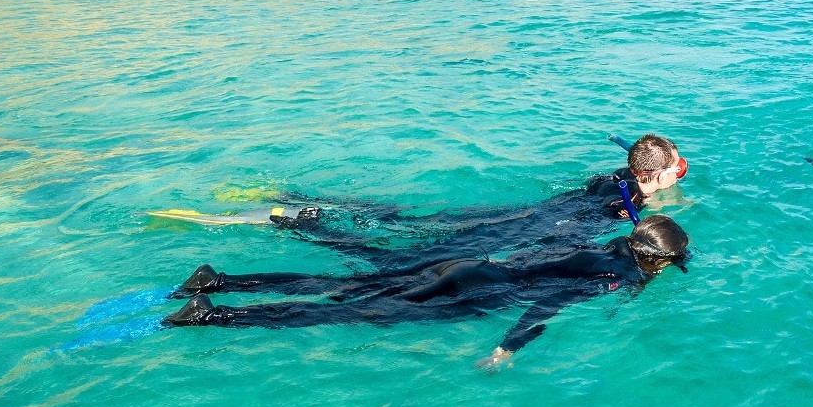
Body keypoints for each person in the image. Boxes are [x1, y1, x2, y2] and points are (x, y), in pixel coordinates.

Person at [162, 215, 691, 369]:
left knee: (343, 288)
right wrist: (508, 347)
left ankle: (219, 281)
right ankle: (213, 315)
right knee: (354, 313)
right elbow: (549, 302)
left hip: (470, 267)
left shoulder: (603, 247)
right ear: (659, 260)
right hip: (475, 290)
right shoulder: (616, 277)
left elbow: (540, 263)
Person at [250, 133, 689, 269]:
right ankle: (305, 223)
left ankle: (299, 202)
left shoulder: (615, 177)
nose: (679, 172)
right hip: (544, 226)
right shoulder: (630, 195)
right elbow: (633, 219)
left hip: (530, 212)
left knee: (424, 223)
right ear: (650, 175)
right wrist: (659, 204)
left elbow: (636, 171)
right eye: (675, 169)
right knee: (418, 256)